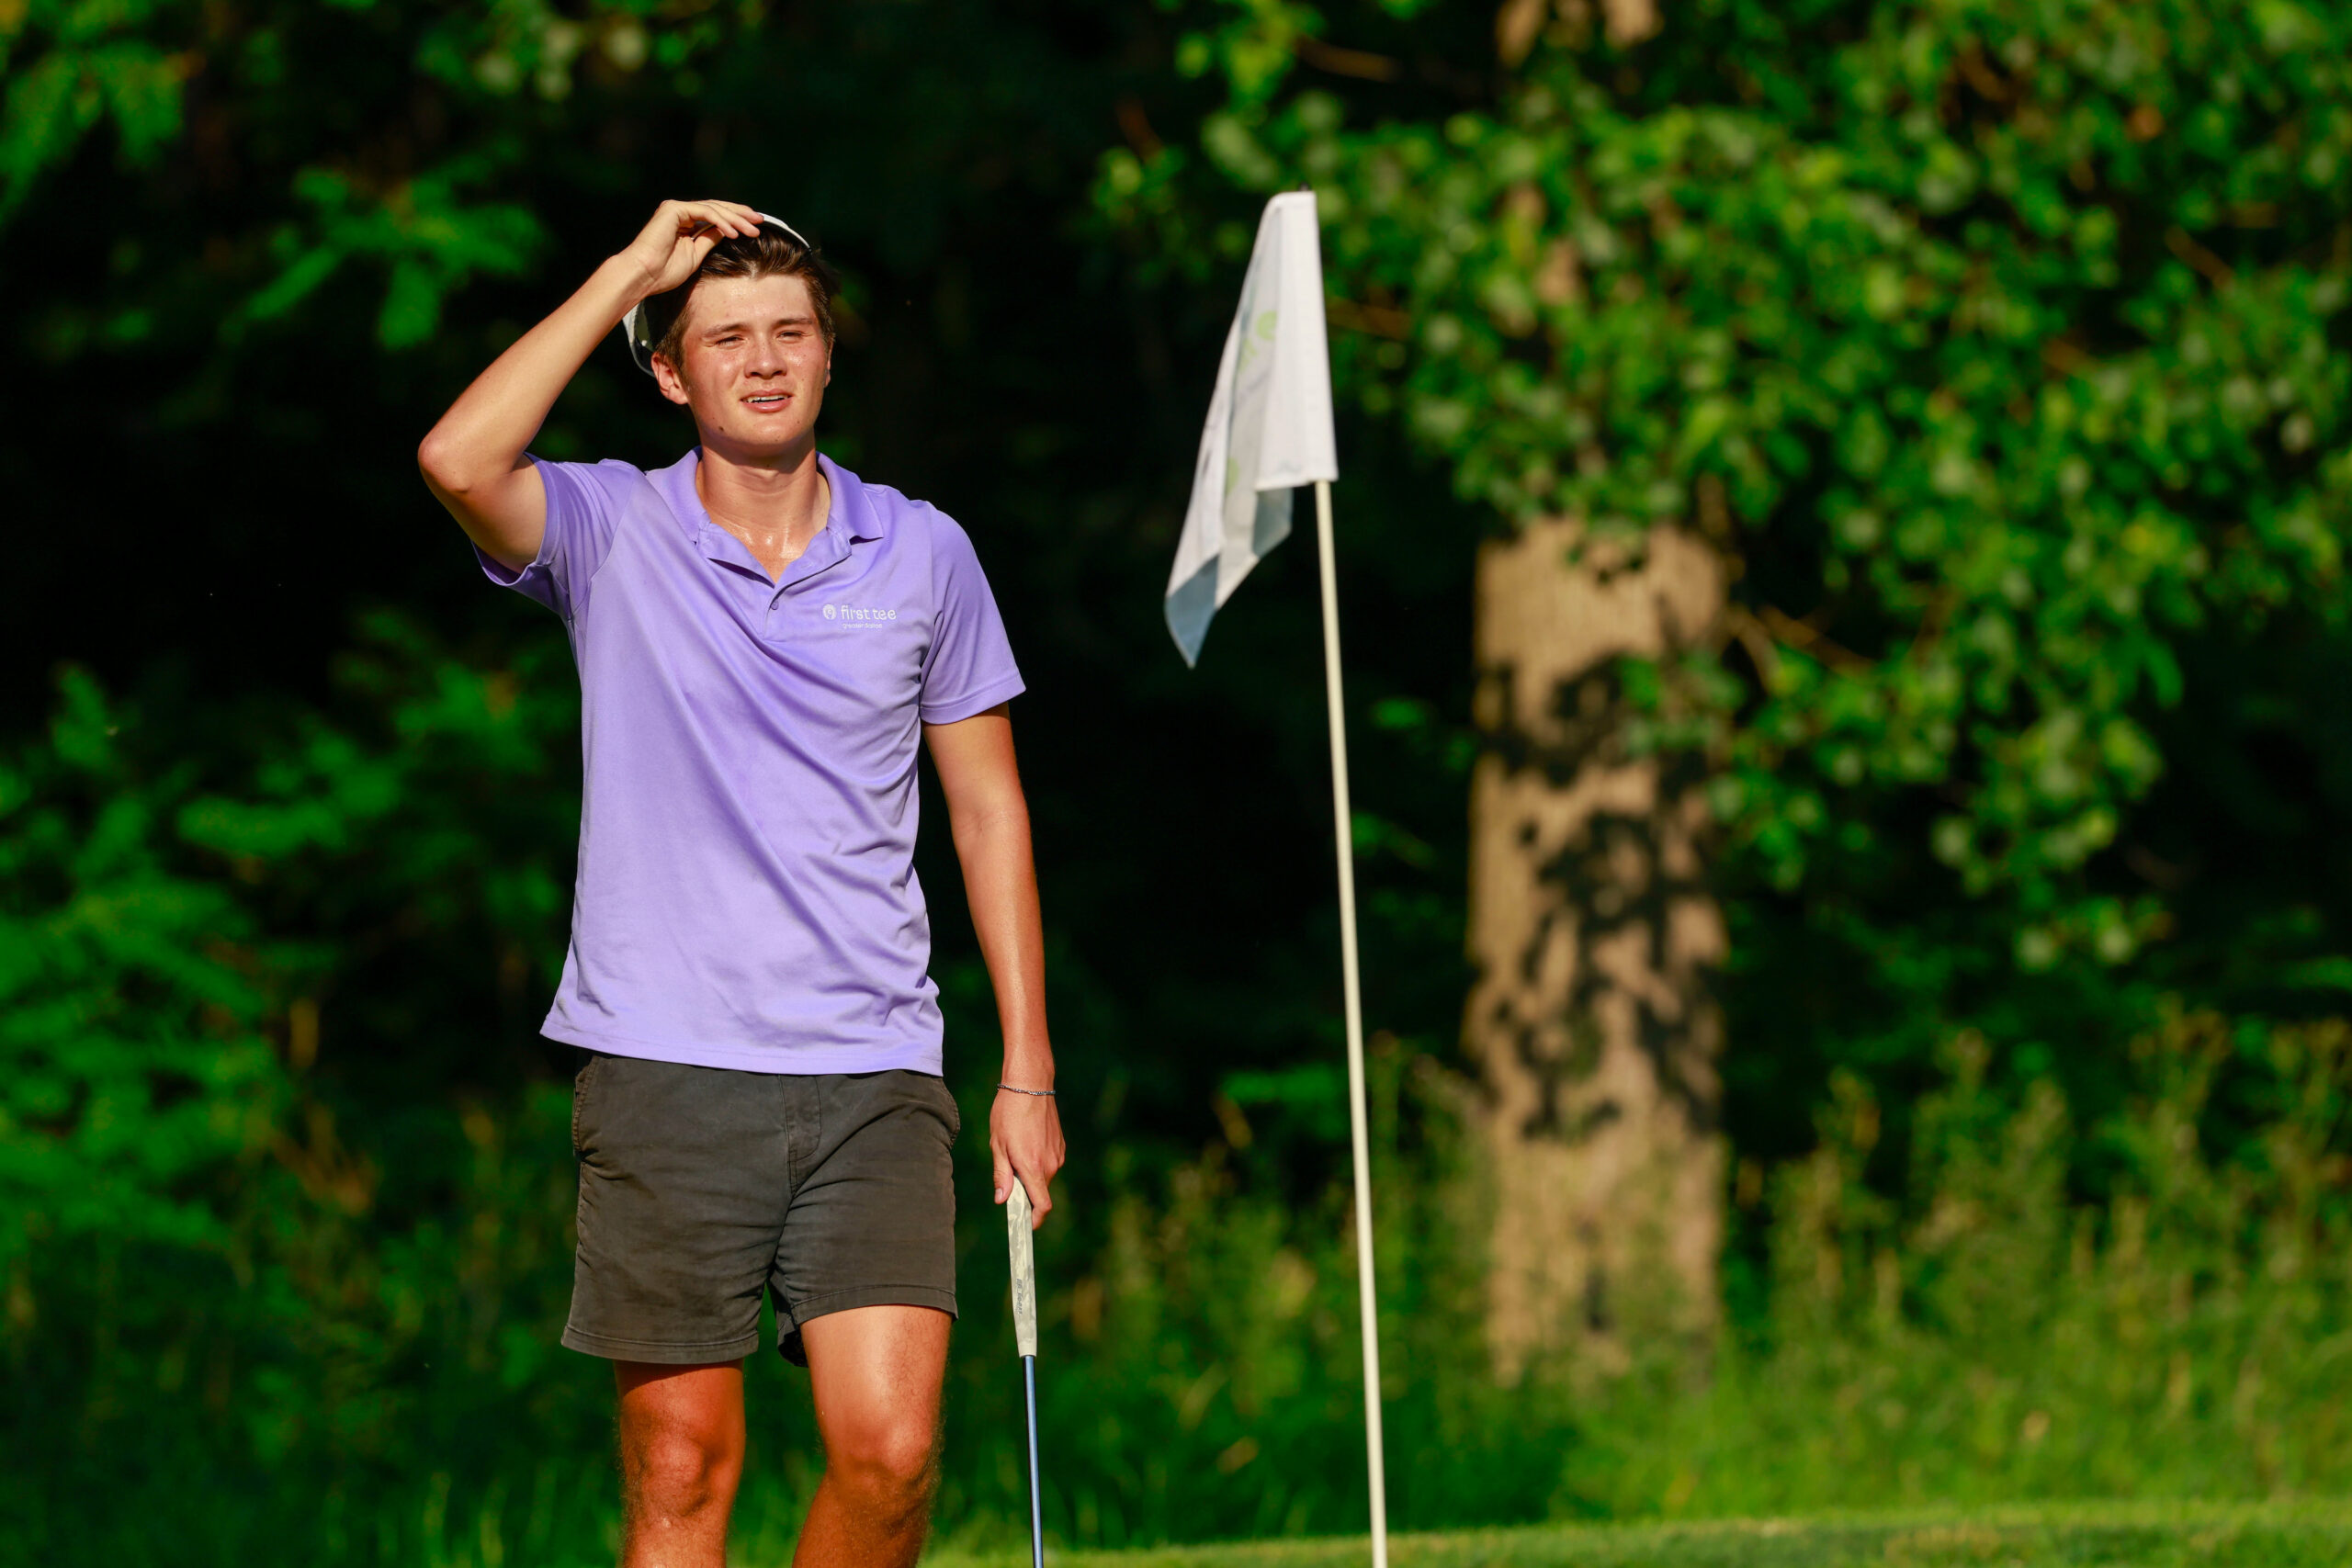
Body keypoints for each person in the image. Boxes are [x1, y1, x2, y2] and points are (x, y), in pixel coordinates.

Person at [417, 200, 1064, 1568]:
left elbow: (988, 809)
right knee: (680, 1472)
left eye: (790, 332)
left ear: (828, 354)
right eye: (725, 339)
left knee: (891, 1458)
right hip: (664, 1069)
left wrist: (1029, 1070)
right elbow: (457, 456)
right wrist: (625, 276)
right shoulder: (609, 526)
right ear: (670, 372)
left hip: (876, 1069)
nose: (763, 361)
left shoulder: (925, 551)